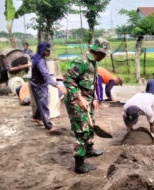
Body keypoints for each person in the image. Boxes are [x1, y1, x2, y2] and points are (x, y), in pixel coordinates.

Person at [63, 38, 110, 174]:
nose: (105, 55)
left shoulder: (93, 63)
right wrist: (79, 98)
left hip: (87, 101)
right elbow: (68, 79)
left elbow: (90, 83)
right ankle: (79, 165)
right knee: (82, 133)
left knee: (90, 127)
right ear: (99, 51)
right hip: (76, 102)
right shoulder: (81, 61)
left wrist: (93, 98)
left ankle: (89, 149)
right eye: (105, 53)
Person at [30, 42, 67, 131]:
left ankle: (35, 118)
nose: (49, 52)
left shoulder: (37, 58)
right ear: (42, 50)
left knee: (41, 103)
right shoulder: (40, 61)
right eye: (47, 51)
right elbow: (46, 75)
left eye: (49, 50)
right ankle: (49, 126)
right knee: (43, 104)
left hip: (38, 84)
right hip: (39, 86)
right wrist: (58, 86)